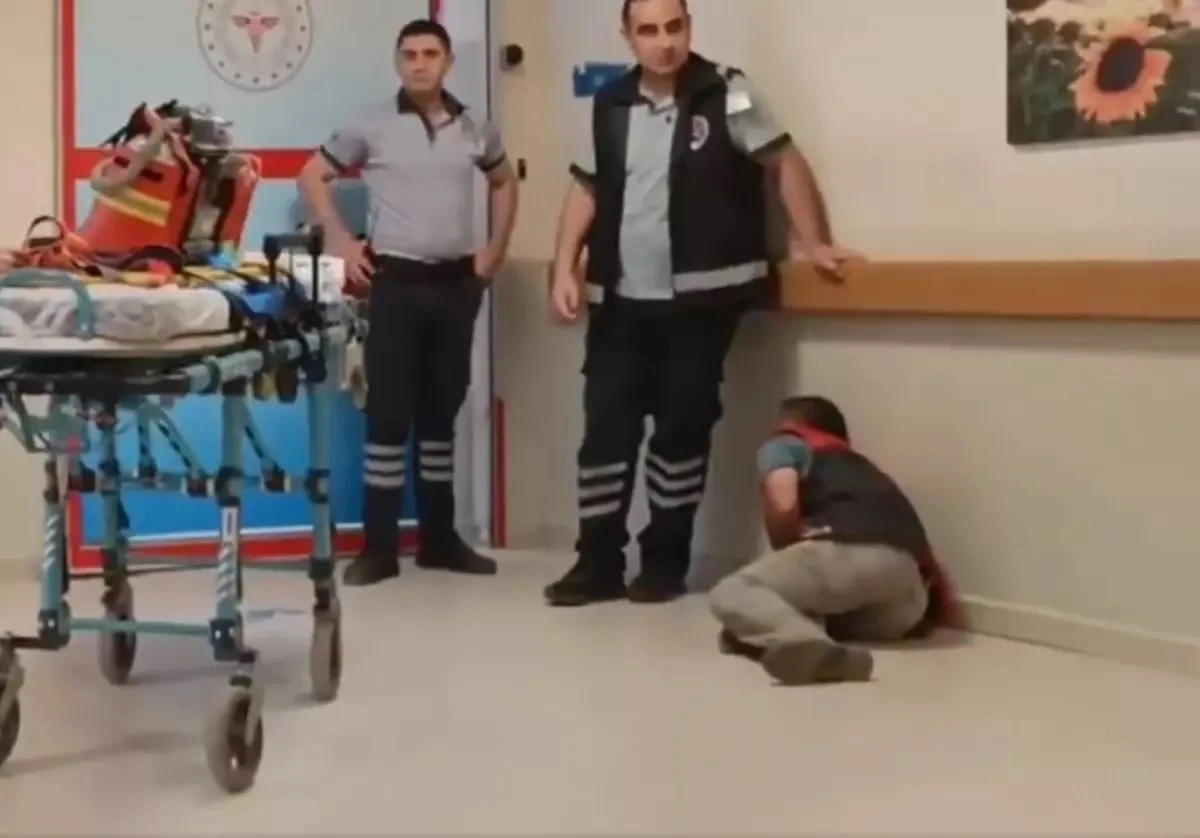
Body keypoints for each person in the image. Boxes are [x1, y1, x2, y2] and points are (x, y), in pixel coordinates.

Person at [545, 0, 861, 607]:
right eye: (648, 30)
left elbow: (782, 159)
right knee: (605, 433)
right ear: (627, 37)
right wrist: (564, 267)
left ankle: (664, 563)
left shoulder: (728, 92)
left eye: (675, 26)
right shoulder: (609, 103)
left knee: (680, 432)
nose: (664, 41)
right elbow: (587, 187)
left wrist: (815, 242)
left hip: (700, 301)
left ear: (689, 27)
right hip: (620, 302)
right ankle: (597, 563)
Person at [298, 18, 519, 586]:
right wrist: (339, 239)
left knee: (441, 412)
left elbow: (504, 182)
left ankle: (439, 541)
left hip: (457, 285)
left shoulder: (474, 126)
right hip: (396, 283)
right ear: (398, 62)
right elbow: (312, 175)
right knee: (390, 414)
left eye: (430, 54)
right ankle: (379, 548)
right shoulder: (370, 123)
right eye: (410, 55)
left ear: (447, 62)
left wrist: (494, 251)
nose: (420, 63)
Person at [709, 396, 956, 686]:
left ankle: (807, 644)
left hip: (852, 554)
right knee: (779, 613)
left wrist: (785, 544)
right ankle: (818, 647)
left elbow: (783, 501)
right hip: (906, 599)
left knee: (734, 591)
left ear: (793, 424)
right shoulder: (858, 466)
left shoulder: (787, 443)